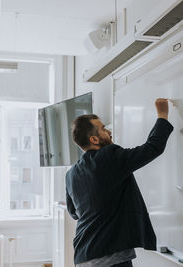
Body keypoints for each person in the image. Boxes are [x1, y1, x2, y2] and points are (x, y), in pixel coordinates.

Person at [66, 98, 174, 267]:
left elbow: (74, 212)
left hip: (83, 256)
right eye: (103, 129)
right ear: (94, 139)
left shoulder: (71, 173)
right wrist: (162, 115)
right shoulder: (109, 157)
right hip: (109, 257)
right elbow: (153, 147)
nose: (108, 132)